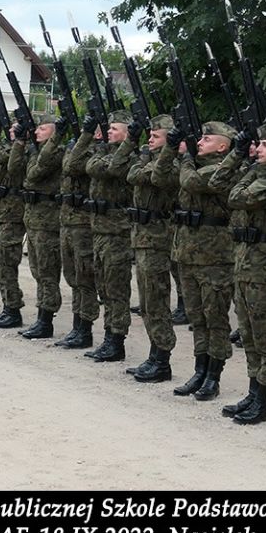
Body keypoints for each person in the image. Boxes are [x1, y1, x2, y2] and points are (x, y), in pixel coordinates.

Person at [217, 121, 266, 425]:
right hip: (246, 262)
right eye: (257, 145)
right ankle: (253, 392)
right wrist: (241, 157)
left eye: (265, 145)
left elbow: (237, 197)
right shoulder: (258, 172)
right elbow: (222, 183)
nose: (257, 149)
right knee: (248, 333)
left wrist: (253, 172)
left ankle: (263, 400)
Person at [162, 122, 237, 399]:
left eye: (208, 138)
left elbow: (192, 182)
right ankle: (200, 369)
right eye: (200, 138)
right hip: (188, 253)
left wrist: (186, 156)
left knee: (215, 317)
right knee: (198, 317)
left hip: (215, 257)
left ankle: (213, 376)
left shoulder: (225, 169)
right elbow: (162, 176)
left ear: (223, 146)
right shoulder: (192, 164)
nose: (201, 142)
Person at [122, 114, 180, 382]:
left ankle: (163, 359)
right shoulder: (150, 160)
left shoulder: (173, 164)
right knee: (146, 301)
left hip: (157, 239)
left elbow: (157, 178)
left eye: (155, 137)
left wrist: (164, 153)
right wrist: (147, 160)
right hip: (143, 237)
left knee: (156, 299)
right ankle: (154, 354)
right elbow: (133, 174)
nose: (149, 140)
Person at [77, 111, 137, 362]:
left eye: (115, 128)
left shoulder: (131, 158)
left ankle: (116, 341)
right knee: (103, 287)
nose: (109, 132)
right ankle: (109, 338)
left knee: (116, 289)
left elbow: (113, 169)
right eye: (108, 128)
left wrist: (130, 143)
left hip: (117, 232)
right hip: (99, 230)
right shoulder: (104, 153)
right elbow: (85, 165)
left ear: (127, 133)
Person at [19, 115, 65, 338]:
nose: (37, 132)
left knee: (47, 271)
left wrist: (50, 143)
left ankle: (46, 320)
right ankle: (41, 316)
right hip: (34, 219)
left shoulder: (56, 151)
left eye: (43, 128)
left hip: (48, 221)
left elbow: (34, 175)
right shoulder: (37, 151)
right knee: (38, 271)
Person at [56, 118, 99, 349]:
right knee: (73, 277)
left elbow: (72, 166)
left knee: (85, 277)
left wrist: (86, 136)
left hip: (83, 224)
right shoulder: (79, 146)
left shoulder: (92, 150)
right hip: (68, 220)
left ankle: (85, 329)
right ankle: (77, 326)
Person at [0, 119, 27, 328]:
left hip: (12, 214)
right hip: (0, 213)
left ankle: (13, 309)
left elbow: (13, 167)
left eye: (16, 127)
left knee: (8, 264)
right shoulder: (8, 148)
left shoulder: (25, 150)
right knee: (0, 264)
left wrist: (19, 142)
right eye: (10, 127)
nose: (12, 130)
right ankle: (7, 306)